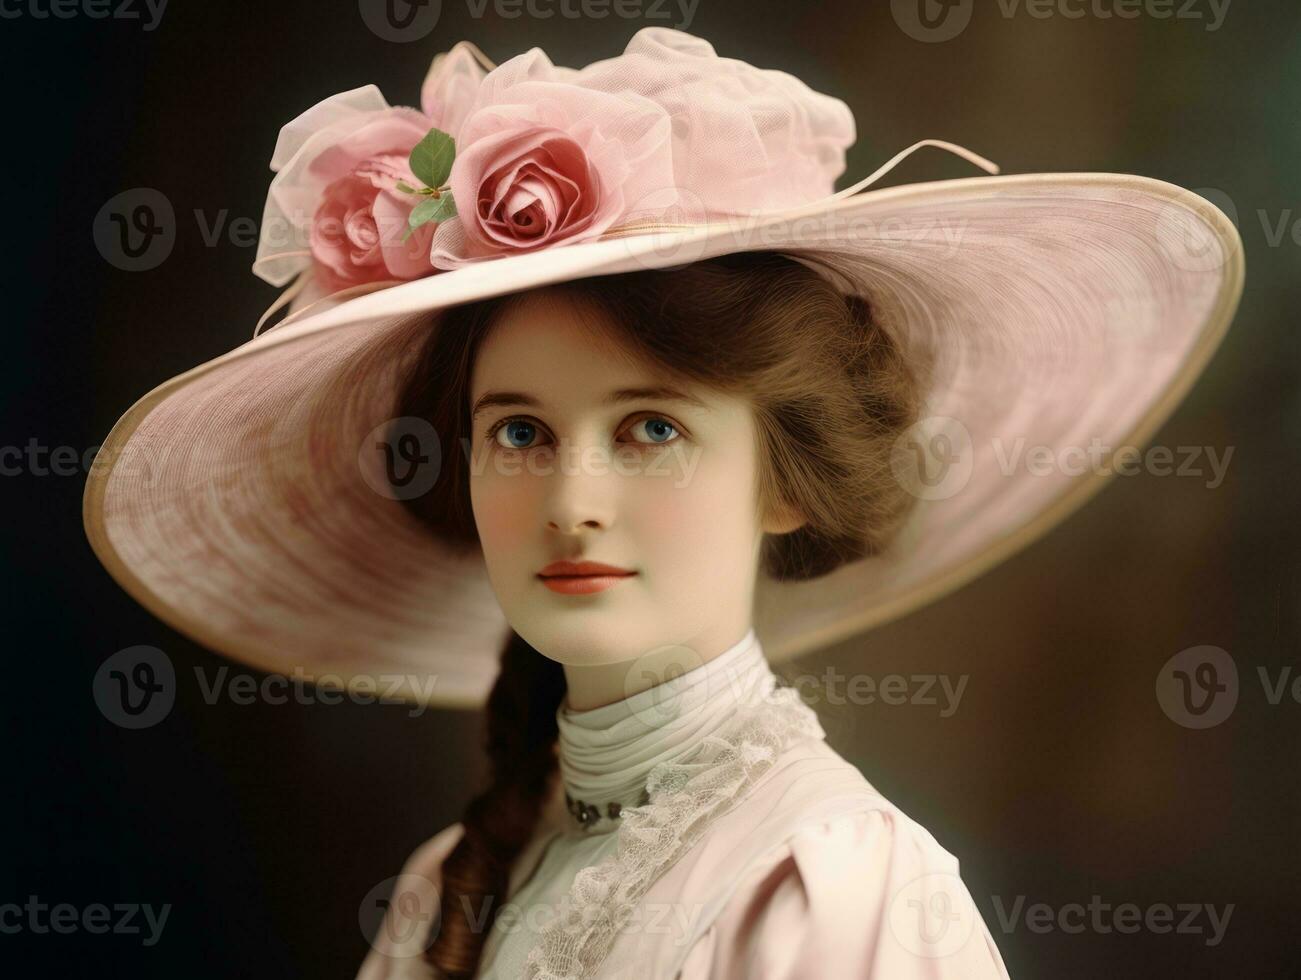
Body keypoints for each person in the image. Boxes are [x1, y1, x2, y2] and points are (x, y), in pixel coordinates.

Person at [82, 25, 1243, 980]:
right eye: (520, 432)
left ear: (782, 479)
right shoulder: (447, 888)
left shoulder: (830, 883)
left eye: (651, 430)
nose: (571, 499)